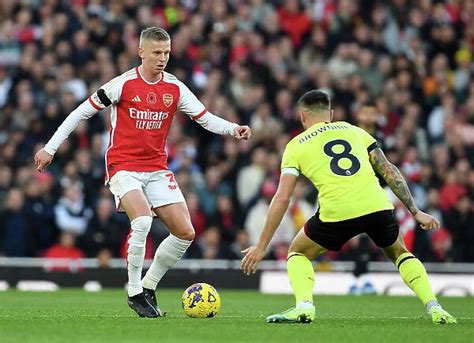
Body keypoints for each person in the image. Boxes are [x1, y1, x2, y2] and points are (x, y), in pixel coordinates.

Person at [35, 27, 251, 318]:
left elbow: (205, 118)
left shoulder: (174, 88)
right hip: (123, 166)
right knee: (143, 220)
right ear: (141, 53)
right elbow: (80, 112)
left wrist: (233, 129)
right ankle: (134, 291)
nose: (162, 58)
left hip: (157, 169)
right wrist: (50, 148)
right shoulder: (123, 84)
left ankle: (149, 286)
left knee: (185, 233)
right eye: (157, 53)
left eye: (166, 53)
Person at [241, 90, 456, 324]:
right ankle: (435, 307)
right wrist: (415, 211)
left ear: (302, 116)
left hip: (337, 213)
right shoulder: (355, 131)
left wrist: (262, 246)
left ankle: (304, 306)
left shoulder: (295, 146)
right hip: (376, 205)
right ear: (331, 114)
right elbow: (388, 169)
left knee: (298, 252)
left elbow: (282, 198)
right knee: (400, 253)